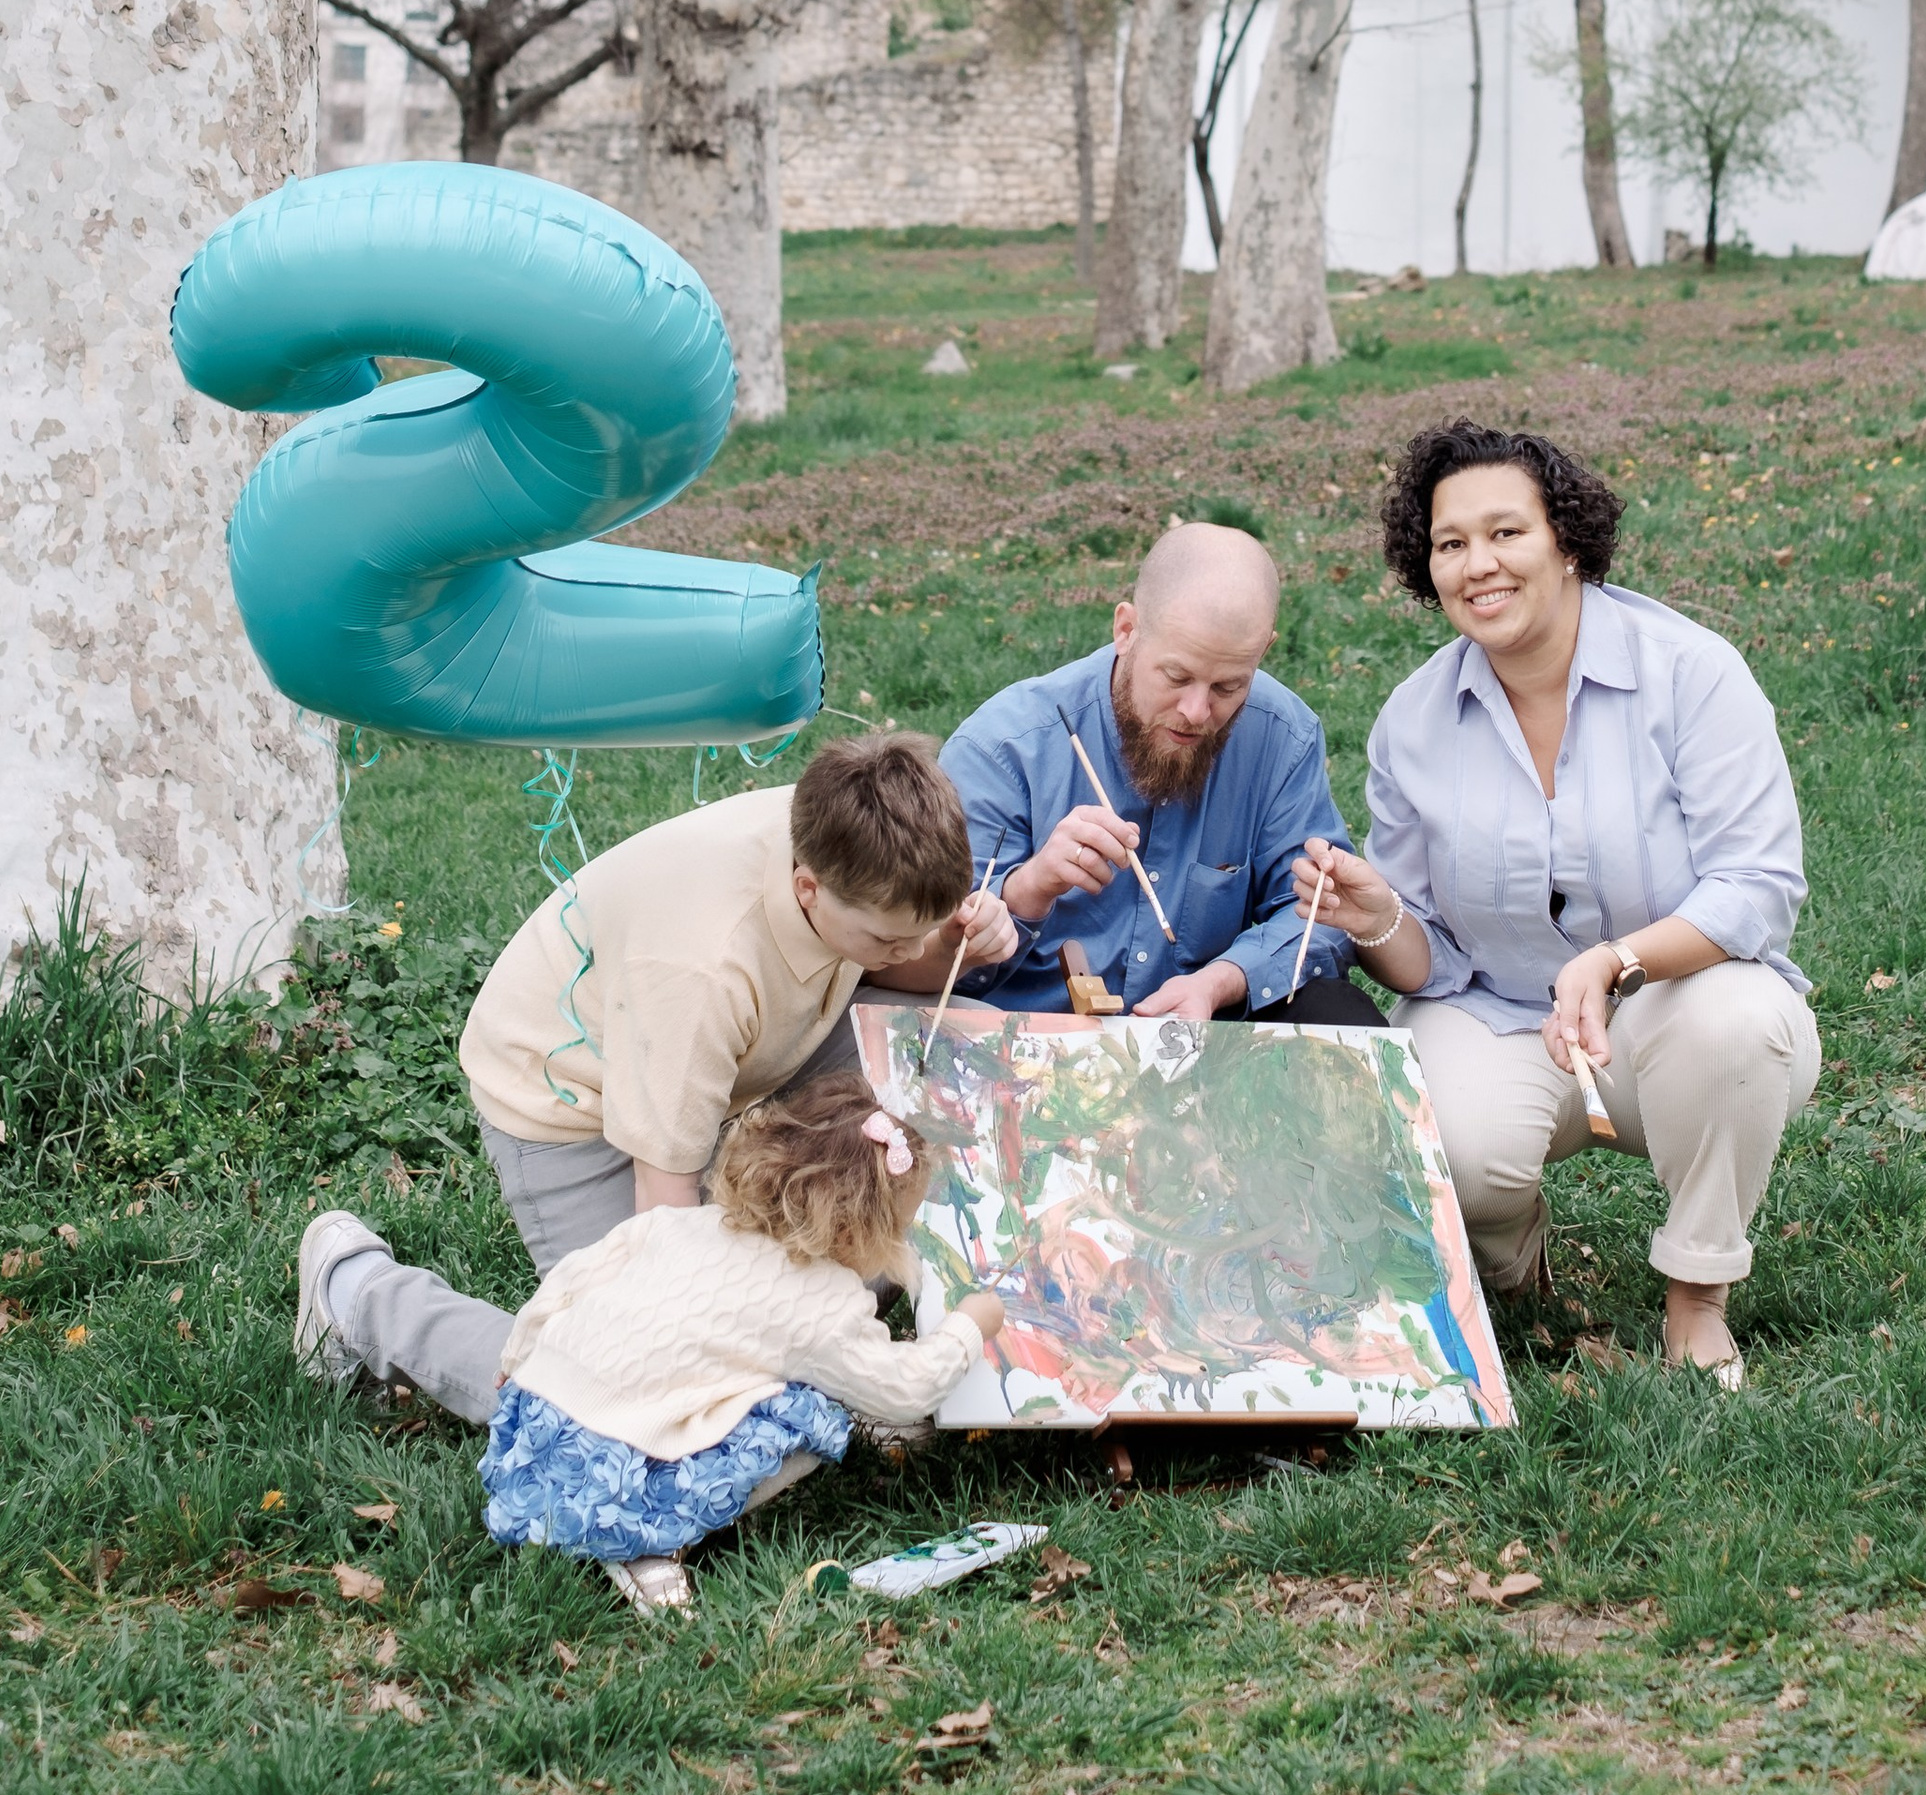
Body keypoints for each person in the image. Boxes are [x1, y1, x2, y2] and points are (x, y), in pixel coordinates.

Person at [1291, 420, 1816, 1388]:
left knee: (1738, 1027)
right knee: (1435, 1136)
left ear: (1567, 541)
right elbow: (1429, 958)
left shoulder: (1690, 671)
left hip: (1675, 1009)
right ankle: (1512, 1263)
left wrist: (1615, 961)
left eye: (1506, 533)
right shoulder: (1413, 720)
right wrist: (1376, 921)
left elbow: (1757, 887)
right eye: (1451, 543)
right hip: (1503, 1012)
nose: (1477, 565)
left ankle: (1697, 1297)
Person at [294, 729, 1012, 1420]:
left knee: (965, 1047)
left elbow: (901, 960)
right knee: (628, 1378)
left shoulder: (857, 843)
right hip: (571, 1100)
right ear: (807, 890)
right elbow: (664, 1232)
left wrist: (955, 946)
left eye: (925, 927)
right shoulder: (698, 971)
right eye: (891, 939)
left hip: (742, 1055)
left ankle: (856, 1324)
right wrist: (722, 1342)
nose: (912, 950)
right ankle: (357, 1291)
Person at [480, 1066, 1010, 1613]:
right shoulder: (825, 1303)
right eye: (901, 1226)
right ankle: (652, 1542)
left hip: (534, 1437)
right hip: (615, 1481)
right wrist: (971, 1324)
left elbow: (569, 1281)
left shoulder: (679, 1223)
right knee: (814, 1413)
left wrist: (517, 1357)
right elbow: (906, 1389)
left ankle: (605, 1516)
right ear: (861, 1228)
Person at [937, 519, 1374, 1024]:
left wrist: (1221, 981)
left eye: (1228, 686)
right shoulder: (1005, 748)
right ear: (1126, 630)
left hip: (1200, 1038)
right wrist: (1029, 889)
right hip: (1027, 1041)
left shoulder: (1282, 736)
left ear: (1264, 649)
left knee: (1338, 1012)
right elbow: (918, 952)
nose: (1197, 711)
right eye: (1176, 676)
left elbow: (1324, 916)